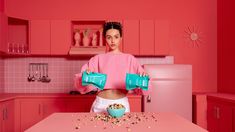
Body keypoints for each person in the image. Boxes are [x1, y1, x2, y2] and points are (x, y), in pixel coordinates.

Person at [74, 21, 151, 113]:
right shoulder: (97, 59)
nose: (113, 41)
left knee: (123, 128)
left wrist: (144, 78)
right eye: (109, 37)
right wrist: (86, 75)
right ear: (105, 39)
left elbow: (144, 87)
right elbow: (80, 83)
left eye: (116, 37)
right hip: (100, 104)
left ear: (121, 38)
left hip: (121, 105)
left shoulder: (130, 59)